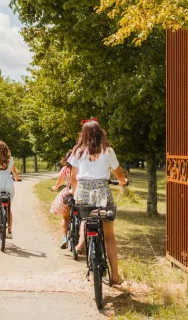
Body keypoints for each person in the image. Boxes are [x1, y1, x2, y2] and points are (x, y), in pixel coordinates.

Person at [69, 119, 128, 286]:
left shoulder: (78, 152)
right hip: (102, 192)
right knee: (109, 235)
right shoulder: (107, 151)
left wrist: (74, 192)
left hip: (83, 193)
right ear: (100, 133)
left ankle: (84, 244)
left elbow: (73, 176)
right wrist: (123, 182)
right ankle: (115, 276)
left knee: (86, 222)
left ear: (84, 135)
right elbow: (118, 172)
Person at [50, 151, 74, 249]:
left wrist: (55, 188)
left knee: (65, 217)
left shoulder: (65, 169)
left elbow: (59, 182)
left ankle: (64, 238)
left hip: (68, 193)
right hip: (79, 192)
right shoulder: (81, 168)